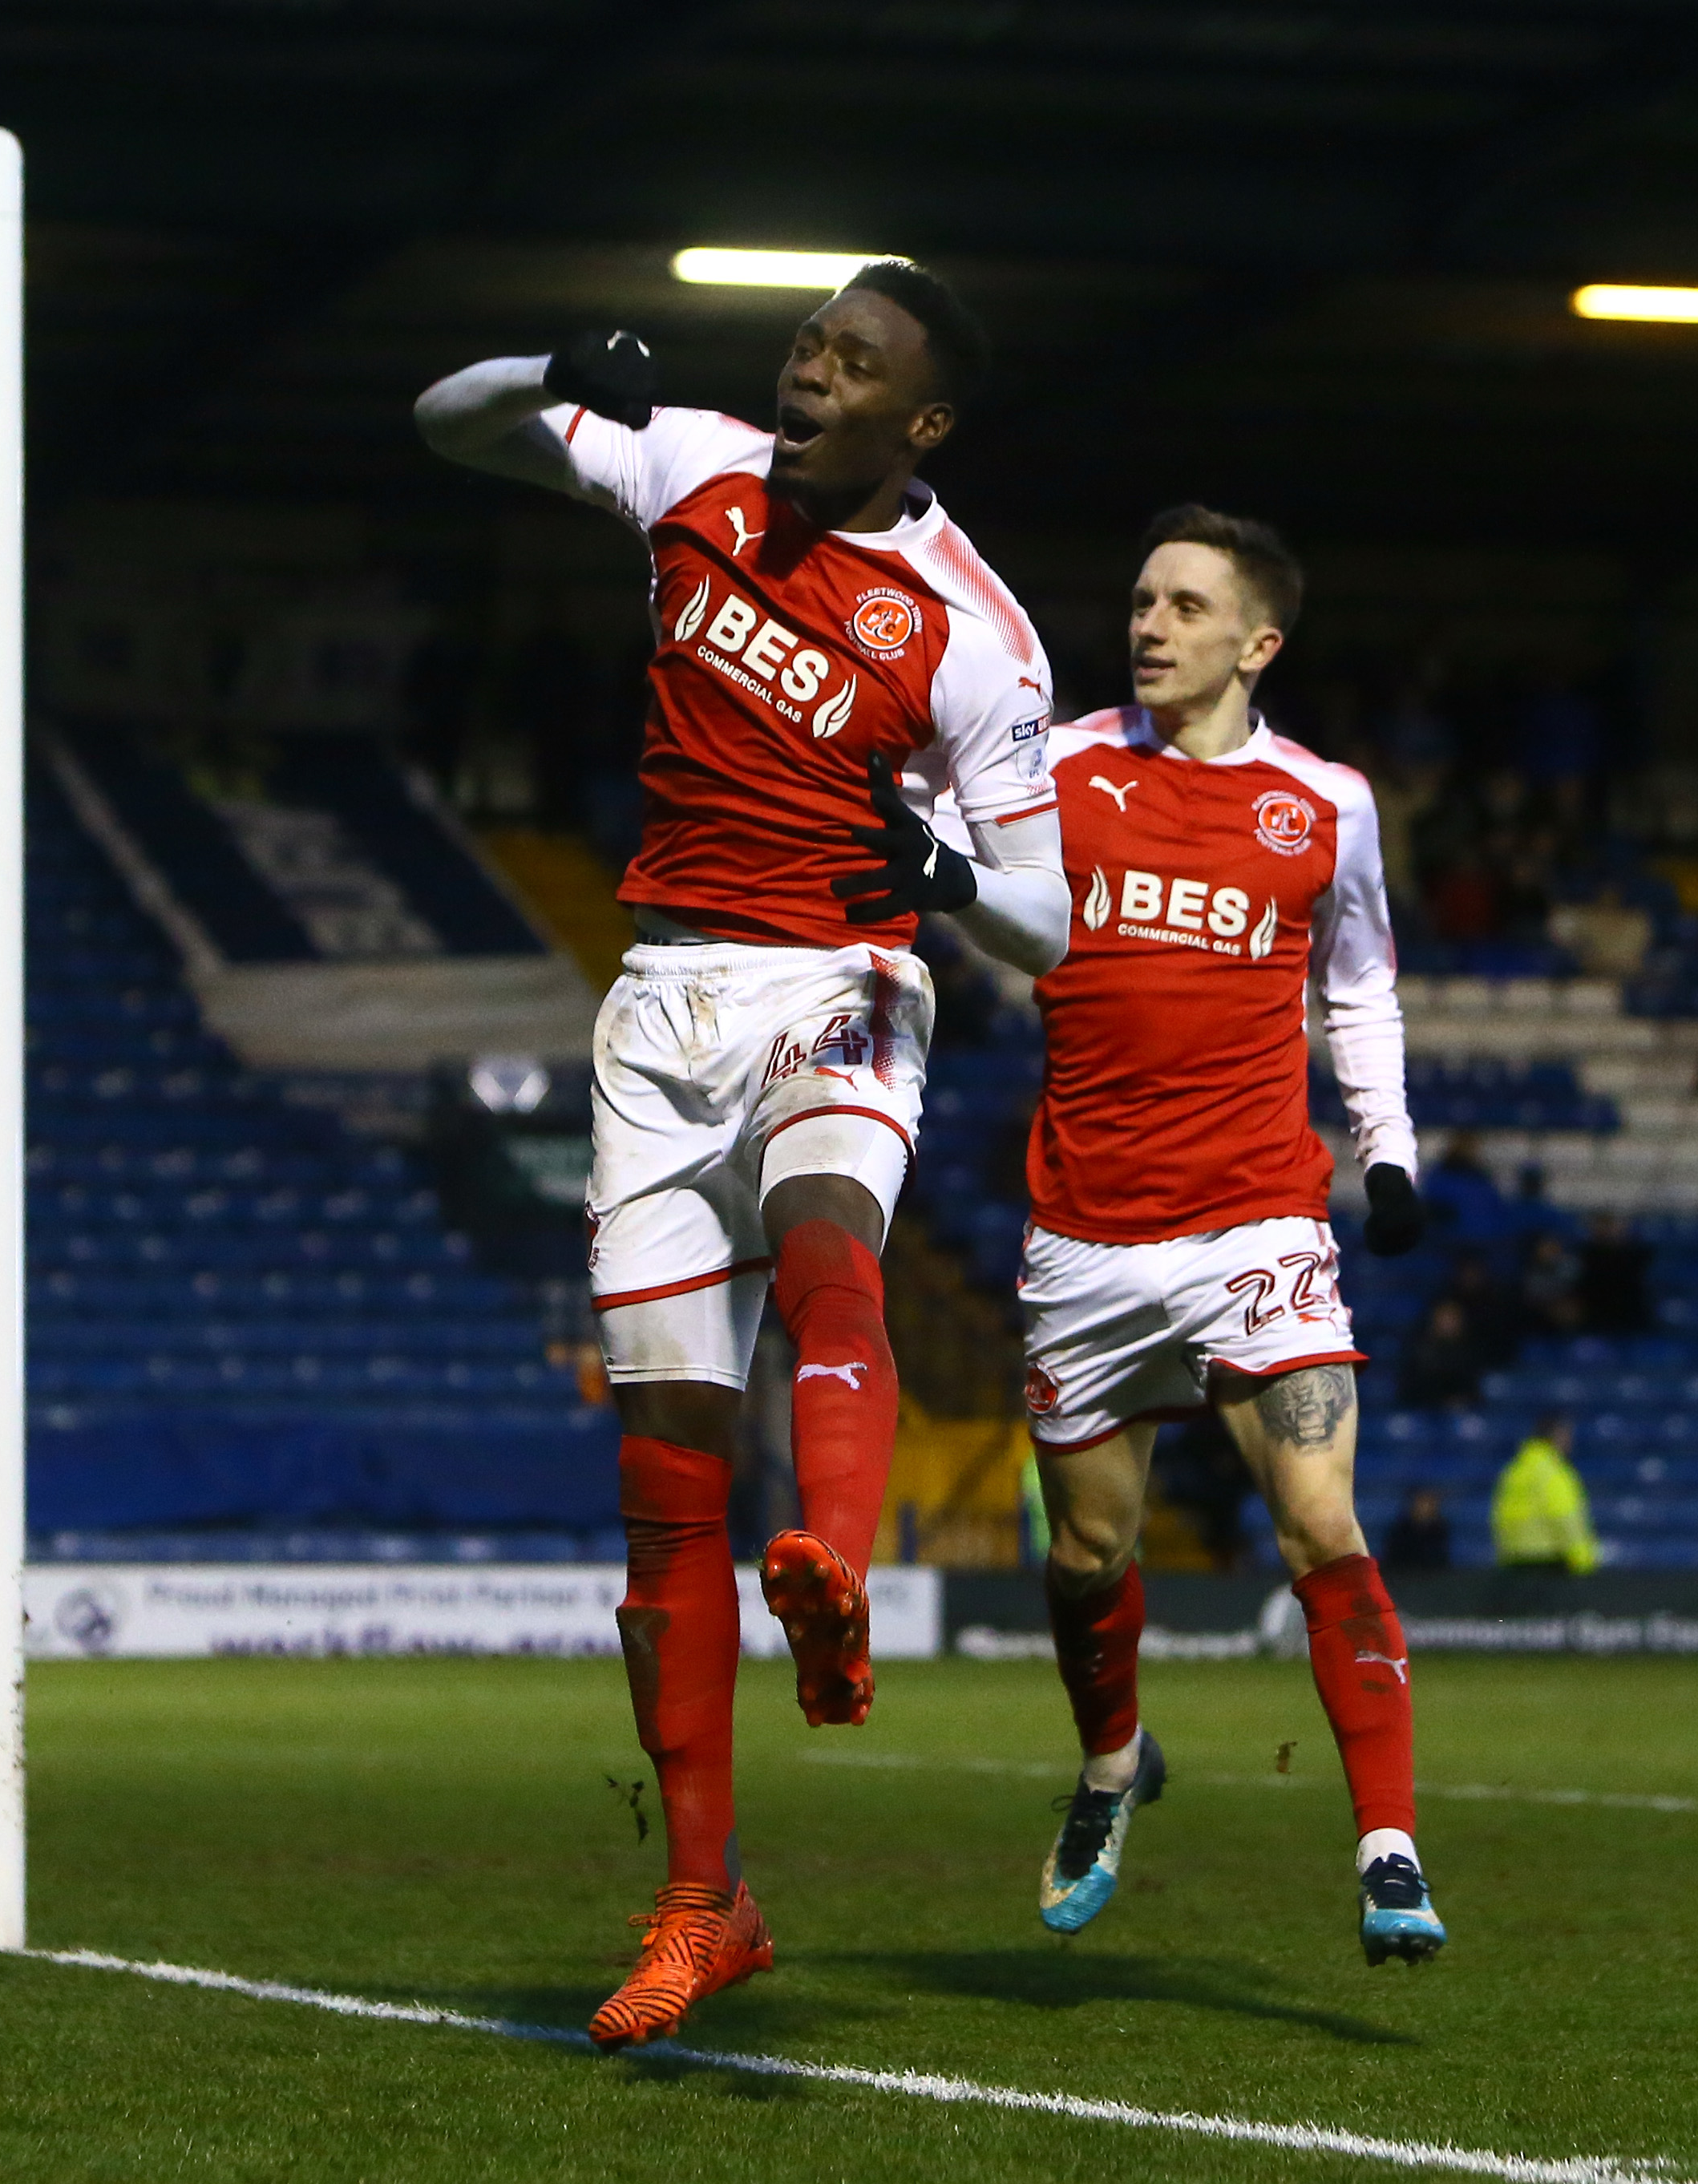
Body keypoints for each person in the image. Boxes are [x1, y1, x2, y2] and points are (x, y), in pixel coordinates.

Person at [414, 267, 1072, 2049]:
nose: (809, 367)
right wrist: (544, 366)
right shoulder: (686, 463)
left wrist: (939, 883)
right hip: (657, 1002)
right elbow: (444, 424)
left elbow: (1047, 918)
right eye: (809, 340)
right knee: (660, 1473)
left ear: (916, 424)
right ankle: (703, 1905)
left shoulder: (970, 634)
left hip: (843, 974)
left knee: (828, 1244)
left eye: (853, 361)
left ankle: (833, 1571)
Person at [1014, 506, 1442, 1965]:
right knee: (1089, 1549)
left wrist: (1385, 1150)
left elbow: (1362, 982)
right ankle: (1113, 1758)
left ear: (1258, 642)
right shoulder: (1057, 765)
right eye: (1141, 598)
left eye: (1187, 605)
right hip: (1085, 1231)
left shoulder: (1325, 802)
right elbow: (966, 895)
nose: (1151, 623)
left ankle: (1387, 1844)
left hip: (1261, 1214)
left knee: (1321, 1517)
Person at [1490, 1414, 1599, 1574]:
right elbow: (1565, 1517)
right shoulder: (1554, 1472)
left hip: (1511, 1566)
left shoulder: (1512, 1472)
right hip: (1549, 1568)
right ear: (1558, 1435)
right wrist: (1584, 1560)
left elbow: (1497, 1516)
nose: (1570, 1442)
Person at [1573, 1211, 1654, 1336]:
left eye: (1610, 1226)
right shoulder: (1583, 1256)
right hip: (1594, 1320)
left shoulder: (1638, 1256)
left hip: (1631, 1319)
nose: (1606, 1231)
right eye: (1601, 1226)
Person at [1380, 1485, 1453, 1575]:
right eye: (1421, 1503)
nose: (1424, 1508)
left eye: (1428, 1504)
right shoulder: (1401, 1531)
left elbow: (1440, 1558)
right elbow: (1394, 1558)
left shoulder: (1440, 1531)